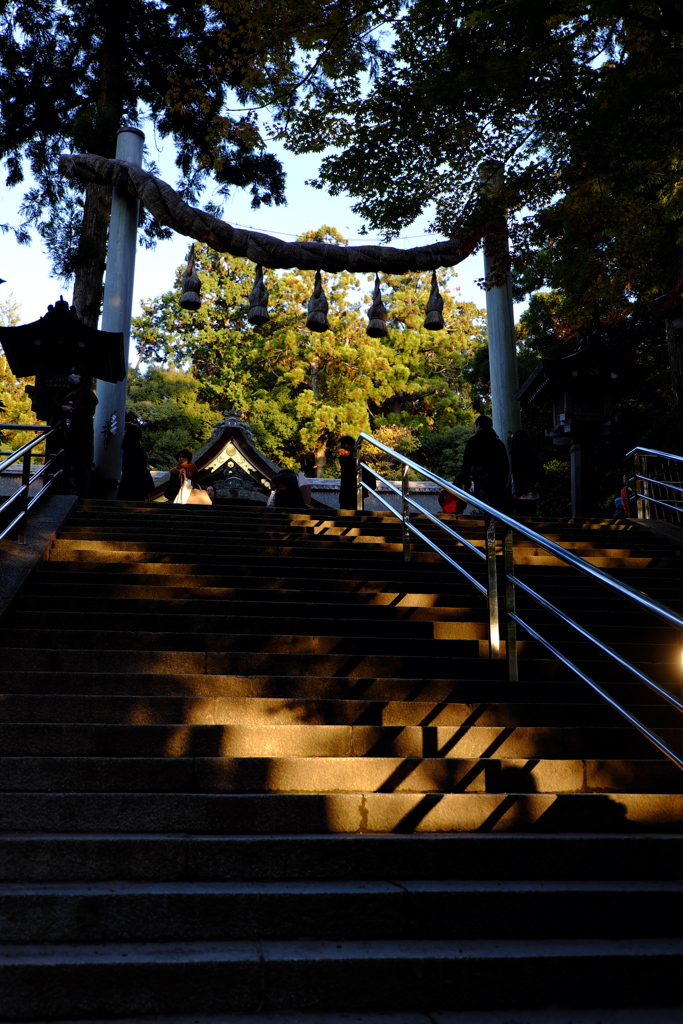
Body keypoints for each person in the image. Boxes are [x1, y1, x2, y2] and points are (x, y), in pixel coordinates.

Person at [53, 365, 98, 497]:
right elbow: (55, 404)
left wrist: (74, 410)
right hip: (65, 434)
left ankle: (82, 495)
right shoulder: (64, 392)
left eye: (75, 373)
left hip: (81, 435)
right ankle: (64, 492)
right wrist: (63, 407)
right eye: (70, 372)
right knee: (65, 465)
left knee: (81, 466)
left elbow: (90, 406)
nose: (72, 375)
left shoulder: (88, 394)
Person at [461, 414, 510, 513]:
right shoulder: (498, 443)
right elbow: (505, 464)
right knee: (496, 508)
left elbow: (467, 463)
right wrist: (504, 482)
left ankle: (489, 528)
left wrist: (465, 481)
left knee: (483, 508)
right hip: (497, 479)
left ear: (478, 425)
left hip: (480, 479)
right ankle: (495, 527)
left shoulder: (473, 441)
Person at [510, 429, 544, 517]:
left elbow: (516, 472)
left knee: (521, 514)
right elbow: (539, 469)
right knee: (531, 513)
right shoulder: (532, 453)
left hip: (520, 489)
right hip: (532, 488)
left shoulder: (515, 453)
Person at [118, 424, 153, 501]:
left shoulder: (126, 446)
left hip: (127, 476)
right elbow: (139, 461)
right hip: (136, 477)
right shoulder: (135, 446)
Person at [337, 435, 357, 511]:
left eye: (339, 446)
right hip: (345, 491)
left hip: (353, 491)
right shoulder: (343, 459)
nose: (338, 448)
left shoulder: (354, 459)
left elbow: (366, 474)